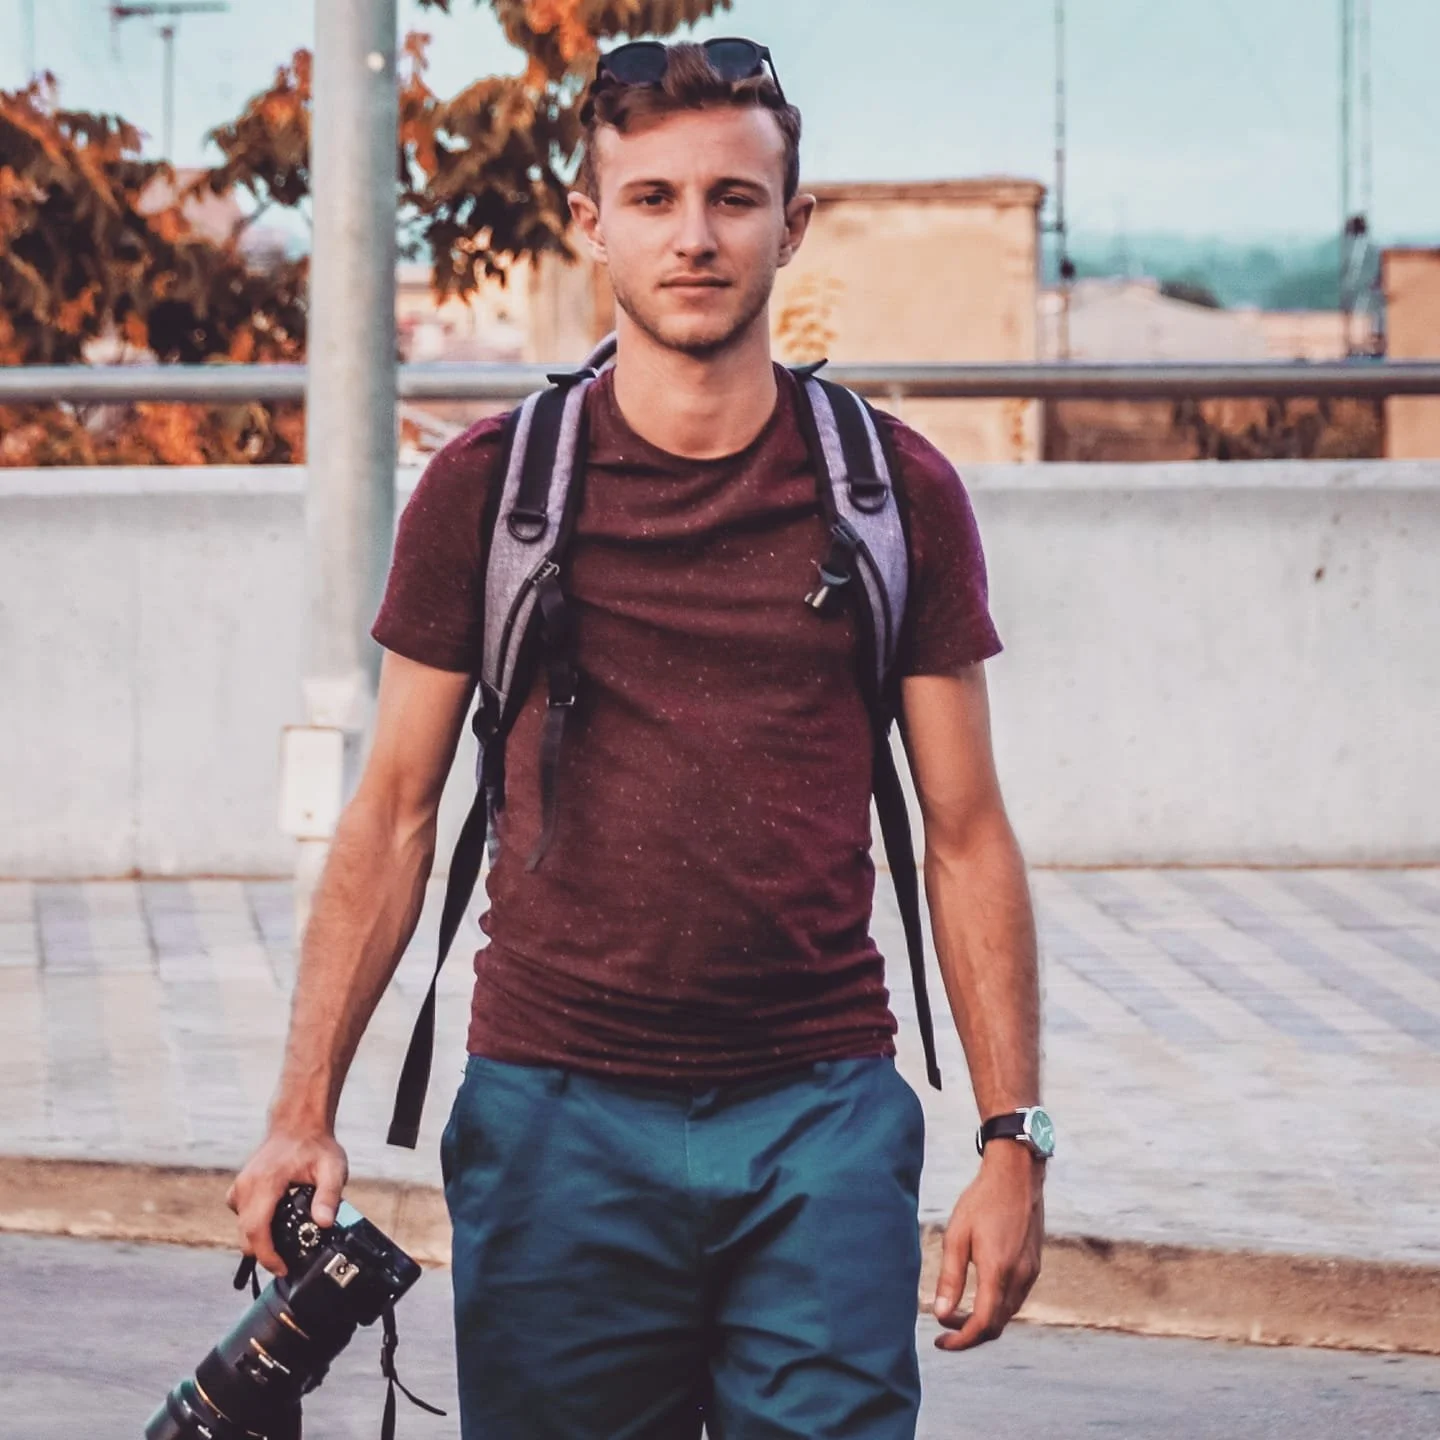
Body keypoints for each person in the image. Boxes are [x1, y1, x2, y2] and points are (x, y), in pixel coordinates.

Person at [228, 37, 1049, 1440]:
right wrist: (301, 1109)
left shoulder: (893, 491)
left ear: (792, 224)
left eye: (734, 198)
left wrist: (1013, 1139)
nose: (694, 236)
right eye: (654, 198)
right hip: (555, 1118)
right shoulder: (489, 491)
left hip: (820, 1116)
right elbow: (395, 812)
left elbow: (966, 832)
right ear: (591, 222)